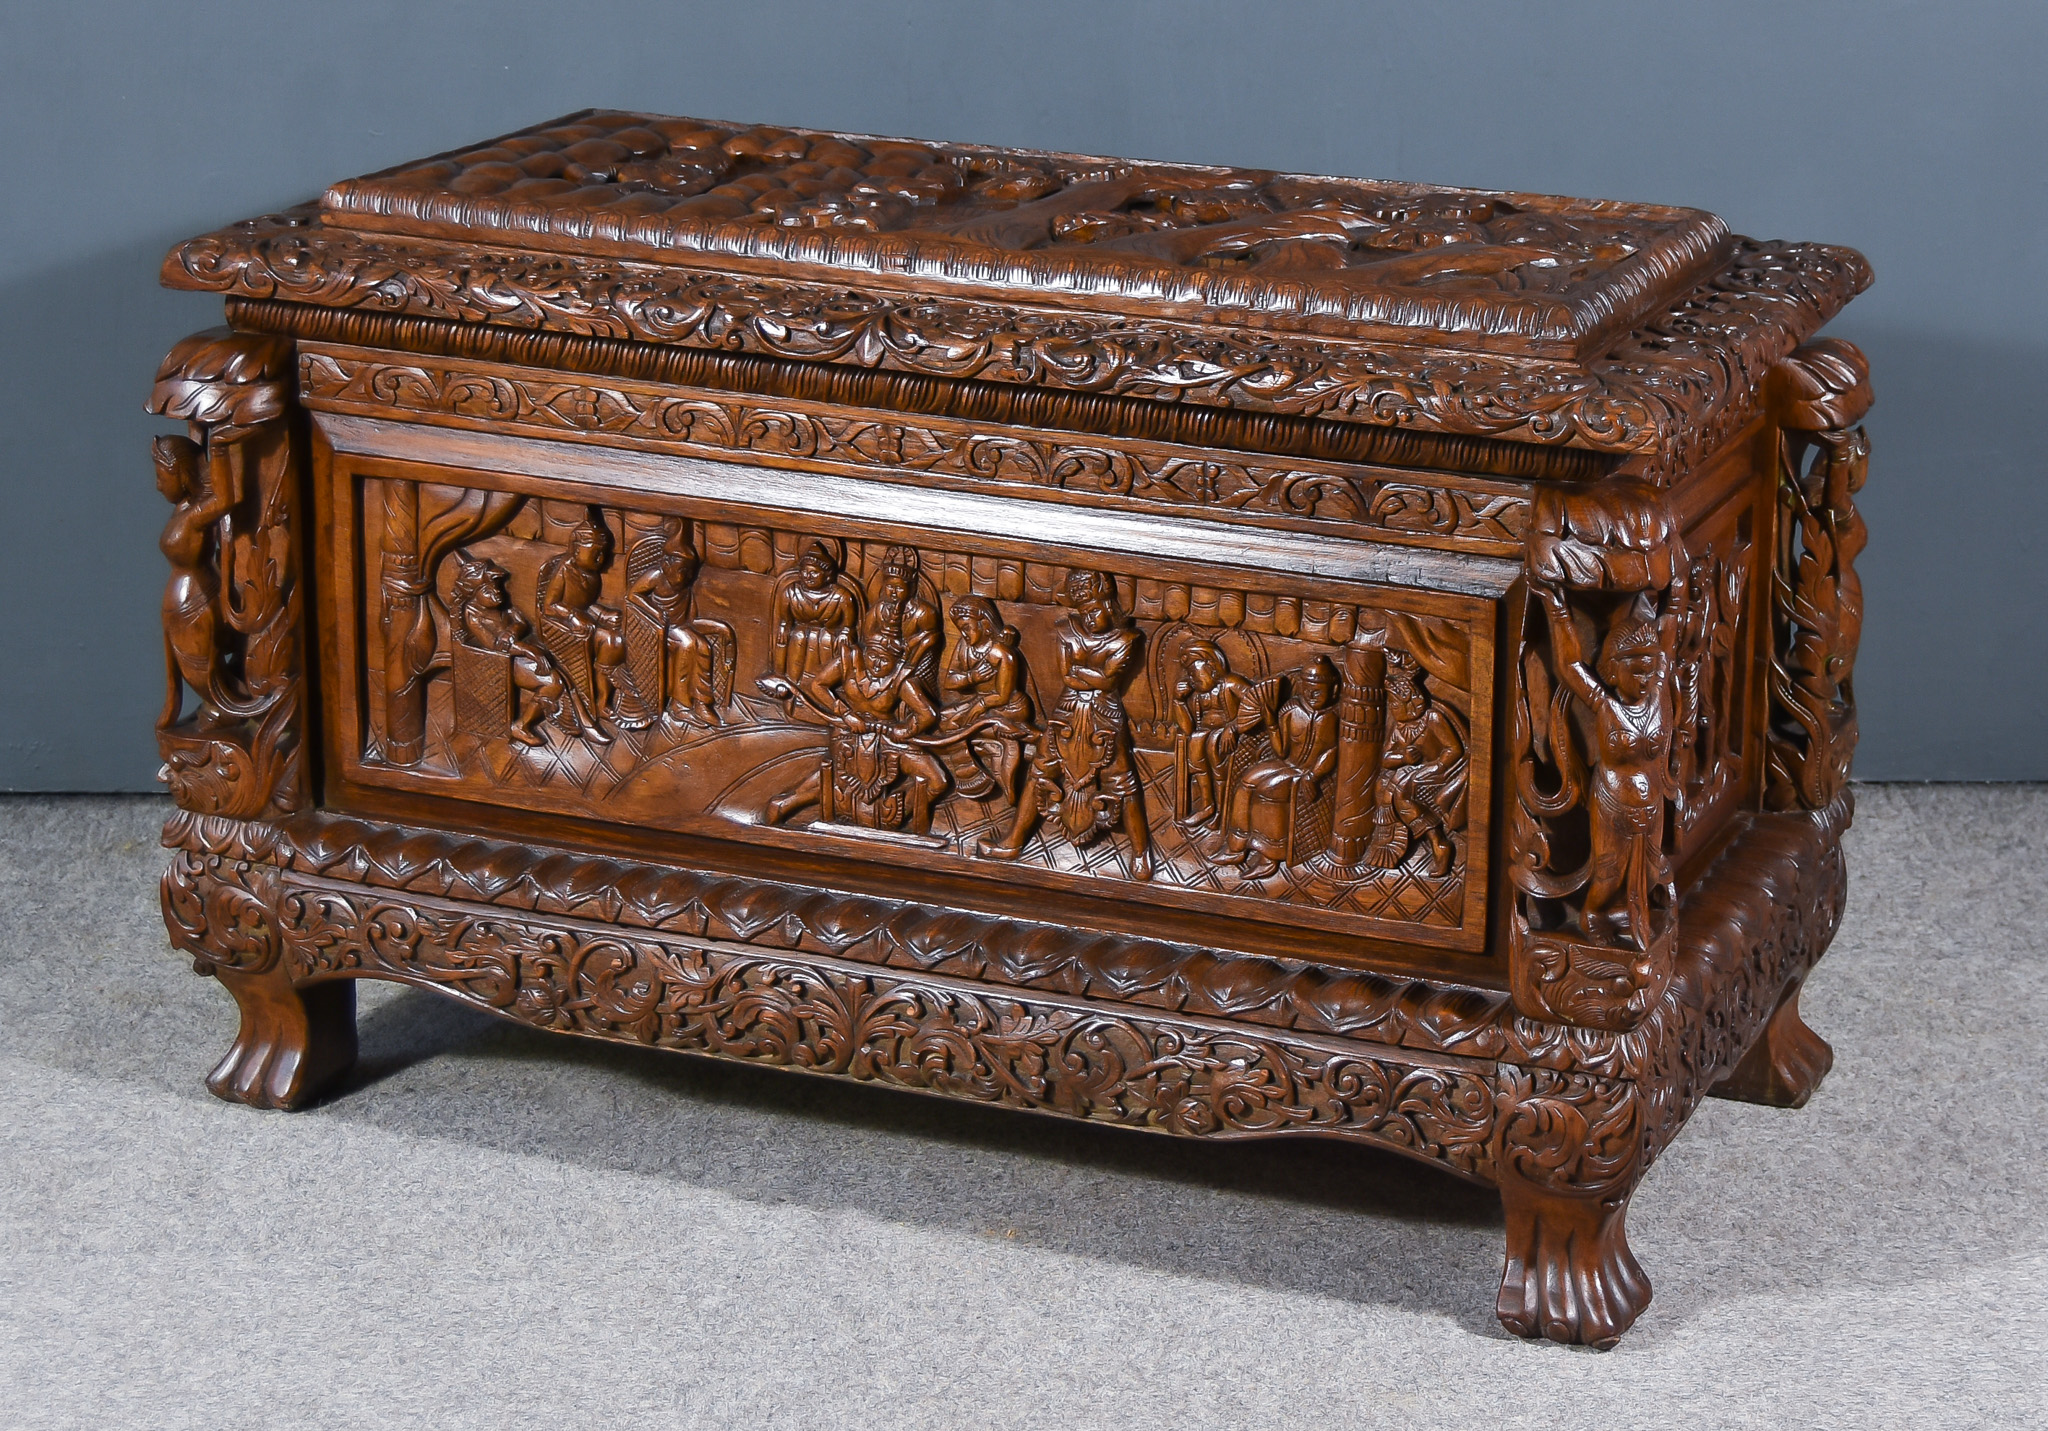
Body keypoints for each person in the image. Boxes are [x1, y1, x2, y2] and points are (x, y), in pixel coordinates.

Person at [977, 569, 1151, 881]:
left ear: (1109, 605)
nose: (1089, 617)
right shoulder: (1065, 629)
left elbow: (1109, 680)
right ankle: (1013, 843)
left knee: (1124, 781)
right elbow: (1067, 675)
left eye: (1095, 609)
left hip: (1105, 716)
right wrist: (1091, 677)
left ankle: (1140, 853)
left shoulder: (1127, 638)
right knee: (1040, 771)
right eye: (1083, 610)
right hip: (1066, 712)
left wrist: (1086, 675)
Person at [1536, 586, 1675, 947]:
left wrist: (1676, 591)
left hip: (1652, 798)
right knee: (1608, 873)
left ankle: (1632, 913)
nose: (1645, 680)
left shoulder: (1657, 693)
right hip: (1613, 799)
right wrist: (1557, 609)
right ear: (1613, 672)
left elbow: (1670, 635)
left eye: (1649, 670)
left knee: (1647, 870)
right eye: (1636, 671)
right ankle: (1594, 915)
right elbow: (1569, 667)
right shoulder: (1606, 706)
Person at [763, 623, 950, 836]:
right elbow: (818, 685)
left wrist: (905, 731)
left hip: (887, 739)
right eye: (873, 656)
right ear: (865, 650)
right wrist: (844, 712)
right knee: (835, 780)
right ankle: (782, 809)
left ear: (896, 661)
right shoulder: (849, 661)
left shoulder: (900, 677)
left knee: (937, 780)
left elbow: (928, 714)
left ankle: (893, 816)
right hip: (848, 735)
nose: (877, 664)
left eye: (885, 660)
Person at [450, 553, 592, 746]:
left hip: (516, 657)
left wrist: (512, 631)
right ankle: (523, 725)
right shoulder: (473, 614)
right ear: (473, 592)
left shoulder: (502, 607)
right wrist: (529, 651)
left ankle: (582, 720)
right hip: (499, 664)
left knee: (561, 676)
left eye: (496, 585)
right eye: (487, 588)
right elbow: (494, 645)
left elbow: (521, 622)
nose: (496, 591)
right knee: (553, 683)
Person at [1216, 657, 1339, 879]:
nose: (1312, 695)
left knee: (1268, 789)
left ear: (1334, 690)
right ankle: (1237, 846)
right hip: (1286, 764)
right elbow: (1281, 751)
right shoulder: (1292, 710)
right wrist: (1272, 722)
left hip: (1305, 771)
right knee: (1247, 781)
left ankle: (1269, 856)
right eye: (1308, 689)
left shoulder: (1332, 718)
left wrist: (1313, 776)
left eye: (1318, 690)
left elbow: (1332, 751)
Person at [1364, 649, 1468, 876]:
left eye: (1394, 704)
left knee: (1402, 792)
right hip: (1411, 770)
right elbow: (1386, 757)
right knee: (1382, 786)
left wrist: (1435, 766)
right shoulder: (1400, 727)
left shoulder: (1432, 719)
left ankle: (1438, 842)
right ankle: (1390, 837)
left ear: (1411, 703)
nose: (1392, 709)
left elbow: (1454, 749)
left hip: (1442, 770)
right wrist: (1402, 758)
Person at [933, 595, 1036, 801]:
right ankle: (969, 769)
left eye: (968, 628)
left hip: (1009, 707)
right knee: (942, 718)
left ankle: (1000, 776)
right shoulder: (964, 646)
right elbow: (949, 681)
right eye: (961, 629)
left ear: (985, 624)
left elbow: (1003, 695)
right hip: (980, 702)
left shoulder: (1002, 653)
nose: (965, 633)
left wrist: (978, 706)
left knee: (972, 725)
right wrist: (973, 676)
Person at [536, 509, 628, 721]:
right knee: (610, 641)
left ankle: (603, 698)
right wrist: (571, 616)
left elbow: (587, 605)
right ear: (576, 550)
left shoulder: (592, 576)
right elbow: (550, 606)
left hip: (585, 624)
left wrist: (603, 614)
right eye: (594, 551)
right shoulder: (565, 570)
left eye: (603, 552)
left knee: (615, 640)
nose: (600, 557)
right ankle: (597, 698)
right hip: (560, 626)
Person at [1171, 639, 1264, 830]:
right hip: (1206, 737)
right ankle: (1207, 806)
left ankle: (1223, 811)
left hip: (1232, 738)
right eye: (1189, 676)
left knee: (1212, 745)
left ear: (1212, 668)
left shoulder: (1231, 684)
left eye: (1195, 675)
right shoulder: (1198, 695)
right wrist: (1178, 702)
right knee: (1196, 742)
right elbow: (1188, 729)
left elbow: (1258, 704)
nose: (1191, 680)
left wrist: (1235, 727)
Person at [772, 540, 864, 684]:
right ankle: (792, 684)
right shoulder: (791, 592)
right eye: (804, 571)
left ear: (827, 574)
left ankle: (820, 688)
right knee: (798, 636)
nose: (808, 576)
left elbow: (848, 626)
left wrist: (845, 633)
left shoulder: (841, 596)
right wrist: (784, 627)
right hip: (800, 635)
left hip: (828, 637)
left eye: (814, 572)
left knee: (824, 638)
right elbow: (785, 620)